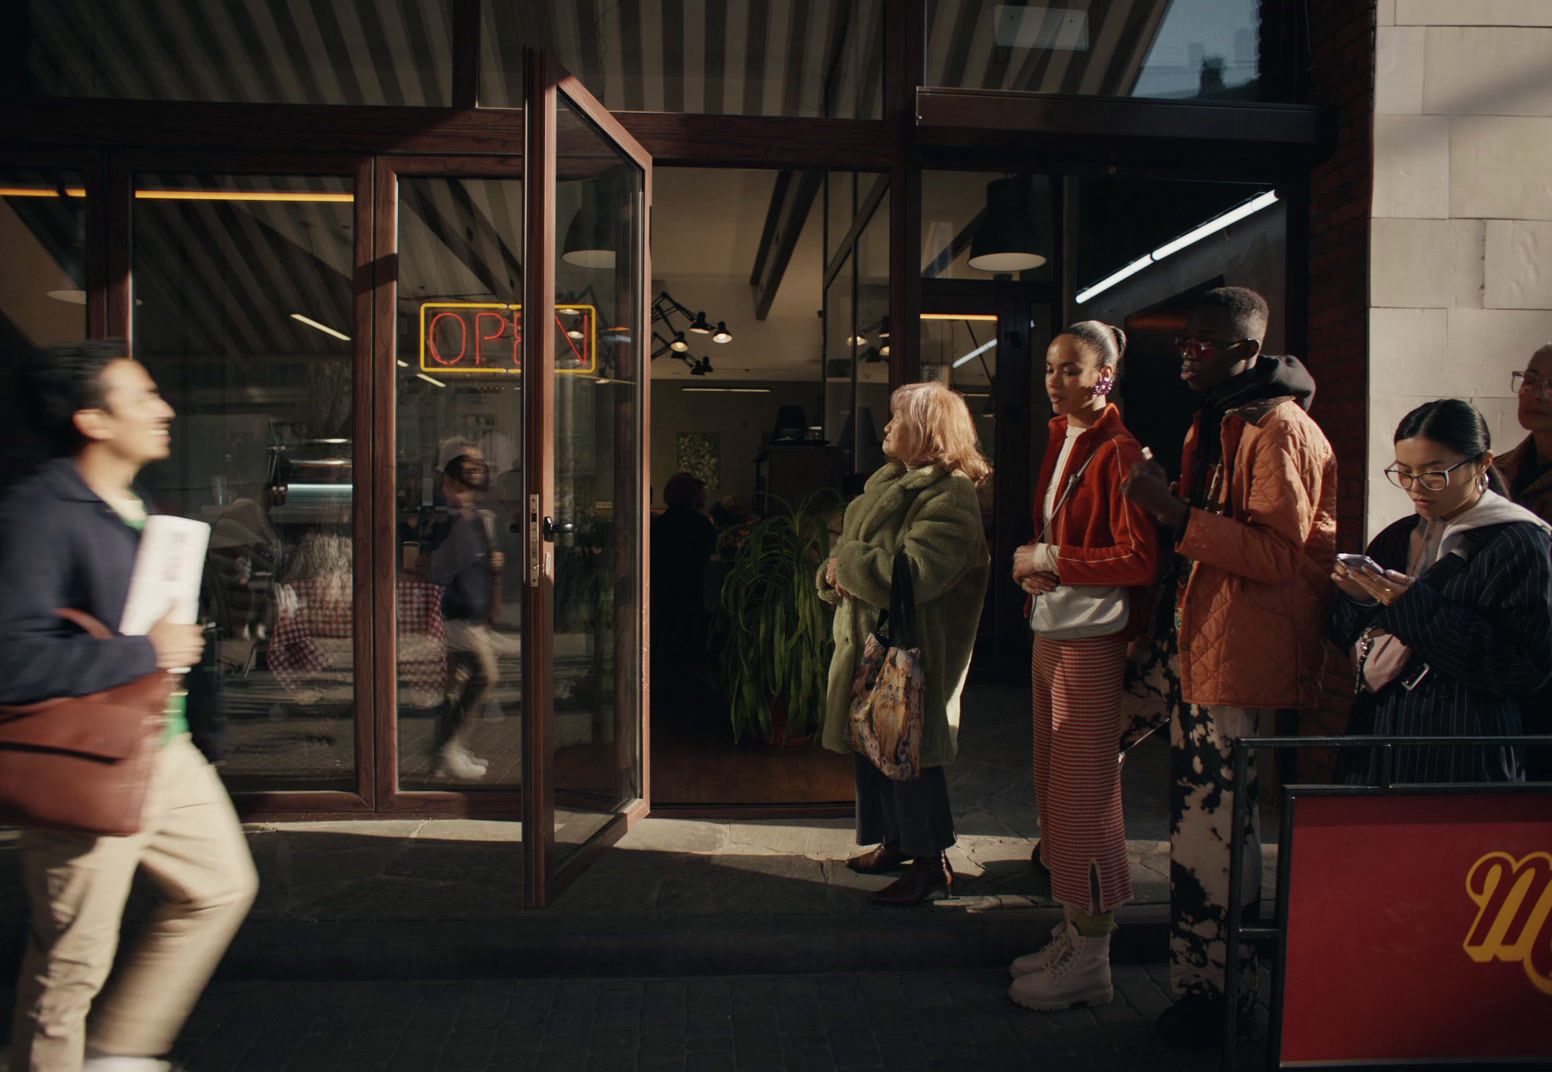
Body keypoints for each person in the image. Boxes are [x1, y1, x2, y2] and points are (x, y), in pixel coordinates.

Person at [0, 340, 258, 1072]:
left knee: (220, 888)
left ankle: (117, 1054)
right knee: (72, 963)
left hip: (162, 749)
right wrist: (147, 651)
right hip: (88, 762)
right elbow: (11, 660)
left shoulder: (136, 507)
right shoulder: (40, 513)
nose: (164, 408)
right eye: (142, 397)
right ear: (92, 419)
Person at [1121, 287, 1336, 1045]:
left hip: (1232, 656)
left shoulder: (1279, 429)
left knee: (1215, 835)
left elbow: (1282, 556)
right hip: (1190, 644)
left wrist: (1170, 510)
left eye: (1204, 343)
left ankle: (1220, 998)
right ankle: (1125, 949)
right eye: (1186, 340)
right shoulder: (1222, 418)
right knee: (1110, 760)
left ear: (1246, 350)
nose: (1187, 352)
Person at [1007, 322, 1159, 1010]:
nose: (1056, 380)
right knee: (1053, 782)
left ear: (1106, 376)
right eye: (1050, 368)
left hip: (1093, 639)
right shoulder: (1065, 436)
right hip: (1057, 628)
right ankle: (1075, 931)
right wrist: (1041, 564)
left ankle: (1093, 954)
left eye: (1071, 370)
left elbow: (1139, 560)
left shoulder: (1119, 450)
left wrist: (1049, 561)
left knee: (1085, 790)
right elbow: (1060, 536)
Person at [818, 381, 991, 906]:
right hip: (874, 644)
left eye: (897, 418)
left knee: (911, 750)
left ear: (926, 430)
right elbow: (856, 558)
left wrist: (845, 565)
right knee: (874, 743)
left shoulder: (949, 493)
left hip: (918, 652)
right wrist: (835, 574)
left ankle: (930, 864)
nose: (888, 427)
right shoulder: (891, 482)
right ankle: (894, 844)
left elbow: (916, 574)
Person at [1330, 399, 1552, 782]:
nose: (1416, 488)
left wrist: (1414, 607)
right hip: (1380, 732)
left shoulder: (1520, 542)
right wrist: (1358, 598)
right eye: (1404, 473)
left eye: (1434, 474)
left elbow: (1525, 666)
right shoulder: (1399, 536)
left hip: (1466, 745)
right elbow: (1345, 637)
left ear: (1483, 464)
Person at [422, 448, 504, 781]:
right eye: (462, 482)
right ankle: (450, 749)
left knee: (455, 687)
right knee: (486, 676)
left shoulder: (475, 518)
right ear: (451, 482)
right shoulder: (449, 520)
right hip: (457, 616)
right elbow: (436, 566)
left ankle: (444, 755)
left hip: (467, 614)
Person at [1498, 344, 1552, 780]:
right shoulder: (1494, 473)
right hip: (1497, 657)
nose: (1537, 393)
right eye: (1531, 379)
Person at [651, 471, 718, 656]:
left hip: (663, 586)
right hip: (693, 584)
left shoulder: (658, 524)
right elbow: (714, 548)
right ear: (693, 495)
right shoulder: (701, 524)